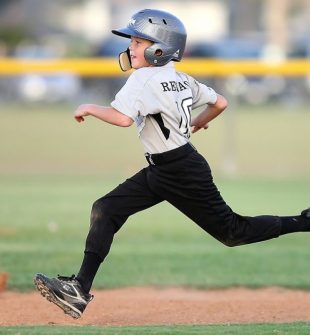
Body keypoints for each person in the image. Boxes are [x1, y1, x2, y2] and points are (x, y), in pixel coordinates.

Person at [34, 9, 310, 319]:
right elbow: (221, 102)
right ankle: (79, 289)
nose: (130, 48)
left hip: (179, 172)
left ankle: (305, 222)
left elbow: (124, 119)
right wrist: (195, 123)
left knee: (233, 232)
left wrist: (89, 107)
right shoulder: (180, 77)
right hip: (168, 167)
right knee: (107, 208)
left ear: (159, 49)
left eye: (138, 42)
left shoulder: (142, 78)